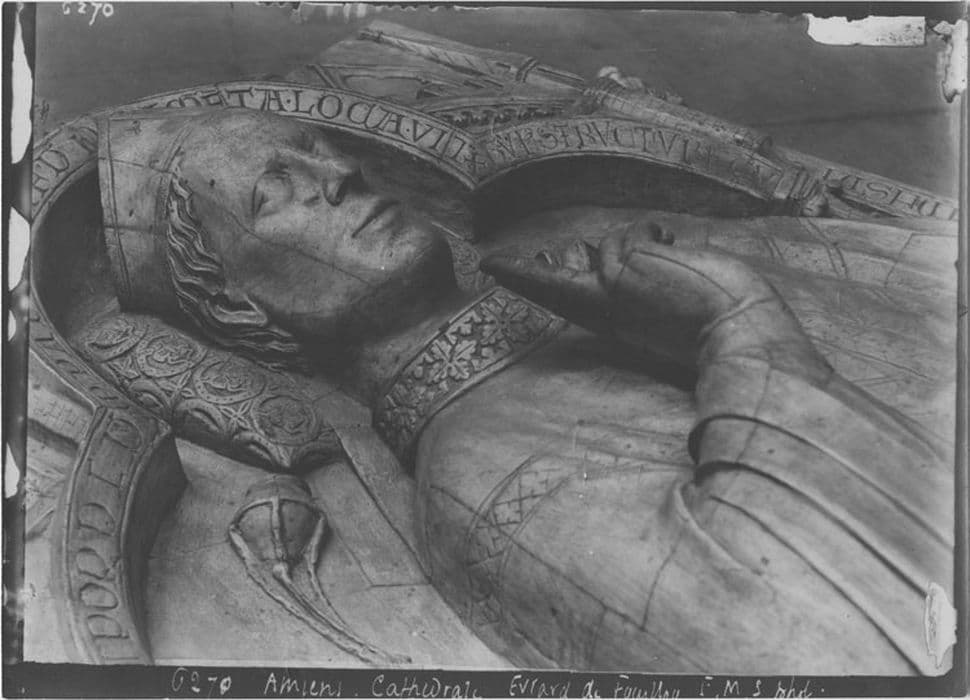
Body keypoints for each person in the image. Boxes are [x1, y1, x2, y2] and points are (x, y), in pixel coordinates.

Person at [85, 106, 955, 674]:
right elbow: (821, 641)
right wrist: (738, 325)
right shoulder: (478, 476)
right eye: (274, 194)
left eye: (315, 149)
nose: (338, 175)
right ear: (238, 307)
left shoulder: (593, 313)